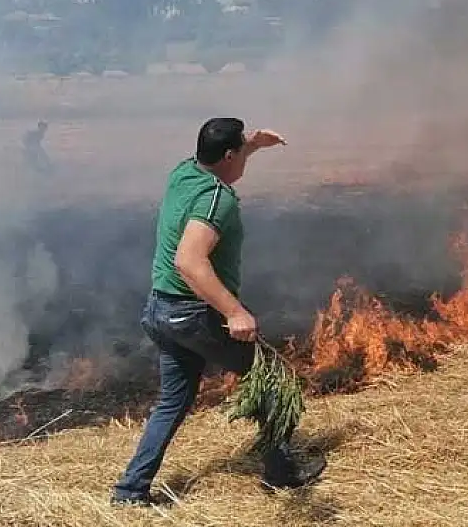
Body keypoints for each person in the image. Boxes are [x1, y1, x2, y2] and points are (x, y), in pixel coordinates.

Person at [112, 117, 326, 506]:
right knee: (273, 379)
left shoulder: (184, 171)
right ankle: (281, 474)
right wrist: (234, 311)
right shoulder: (217, 198)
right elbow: (189, 261)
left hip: (161, 310)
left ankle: (130, 490)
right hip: (193, 314)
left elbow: (223, 157)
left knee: (173, 401)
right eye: (240, 149)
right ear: (229, 155)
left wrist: (254, 145)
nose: (243, 155)